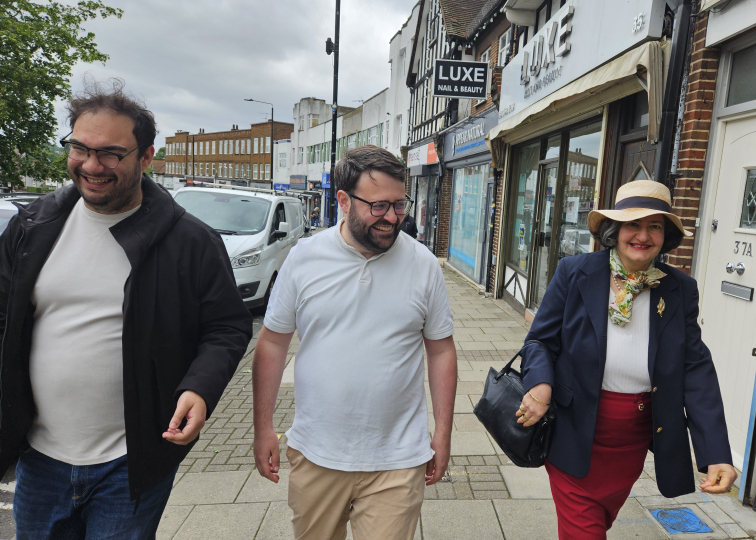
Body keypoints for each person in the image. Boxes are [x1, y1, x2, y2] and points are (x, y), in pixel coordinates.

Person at [0, 80, 253, 538]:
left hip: (130, 463)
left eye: (112, 153)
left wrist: (200, 389)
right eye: (80, 148)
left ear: (147, 156)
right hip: (38, 459)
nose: (92, 165)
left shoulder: (190, 241)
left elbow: (226, 327)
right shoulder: (31, 228)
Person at [253, 145, 457, 540]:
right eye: (379, 206)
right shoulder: (304, 258)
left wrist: (443, 433)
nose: (393, 218)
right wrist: (264, 428)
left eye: (400, 205)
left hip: (398, 457)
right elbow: (273, 344)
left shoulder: (424, 264)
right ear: (344, 200)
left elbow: (441, 349)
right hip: (317, 453)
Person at [517, 180, 736, 539]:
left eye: (655, 226)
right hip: (575, 430)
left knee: (598, 520)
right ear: (614, 230)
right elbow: (539, 341)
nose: (643, 235)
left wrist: (716, 452)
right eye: (633, 224)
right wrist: (540, 385)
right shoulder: (575, 273)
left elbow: (695, 367)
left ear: (665, 236)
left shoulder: (679, 288)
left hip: (632, 443)